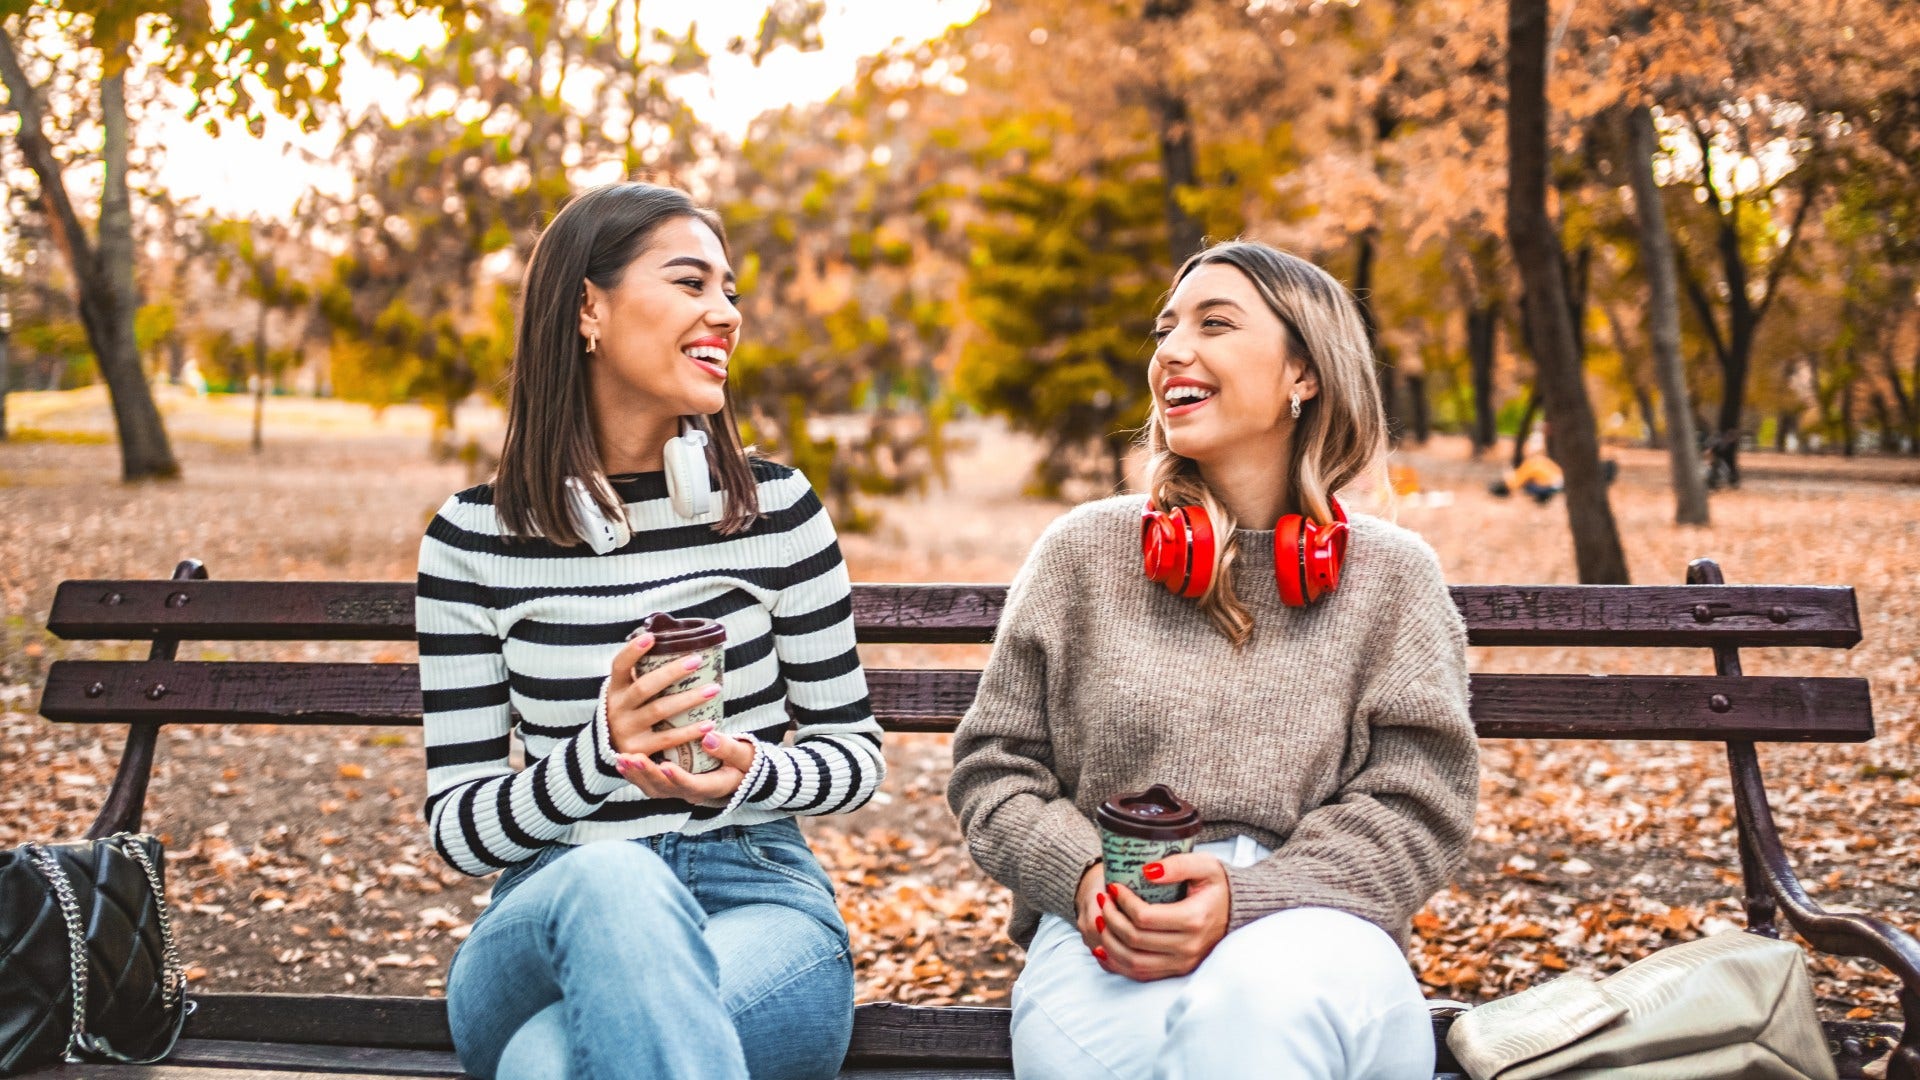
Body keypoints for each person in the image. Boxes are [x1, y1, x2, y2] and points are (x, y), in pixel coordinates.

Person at [948, 240, 1478, 1079]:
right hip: (1111, 929)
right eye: (1166, 329)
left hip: (1320, 925)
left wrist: (1246, 898)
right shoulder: (1082, 554)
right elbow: (996, 772)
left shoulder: (1394, 577)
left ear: (1304, 373)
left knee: (1253, 1010)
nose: (1171, 350)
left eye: (1215, 324)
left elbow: (1420, 808)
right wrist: (1084, 876)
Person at [415, 182, 883, 1080]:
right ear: (587, 308)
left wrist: (755, 772)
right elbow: (460, 829)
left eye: (729, 292)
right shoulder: (472, 541)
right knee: (613, 877)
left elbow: (854, 756)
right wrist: (602, 750)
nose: (726, 313)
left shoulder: (777, 511)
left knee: (547, 1064)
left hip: (755, 894)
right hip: (549, 908)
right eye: (690, 282)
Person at [1488, 430, 1565, 503]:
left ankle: (1542, 496)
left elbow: (1516, 482)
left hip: (1550, 486)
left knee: (1527, 486)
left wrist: (1508, 486)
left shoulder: (1531, 464)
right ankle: (1543, 496)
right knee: (1531, 482)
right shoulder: (1542, 460)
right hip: (1560, 483)